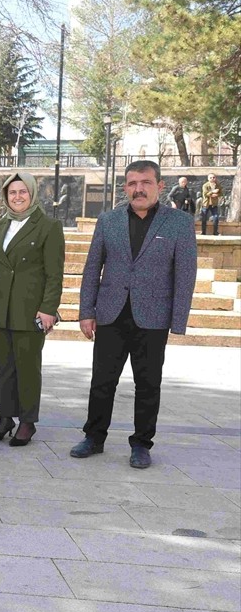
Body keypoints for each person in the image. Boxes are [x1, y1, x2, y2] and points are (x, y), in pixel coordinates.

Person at [73, 160, 197, 469]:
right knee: (102, 380)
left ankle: (142, 443)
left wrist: (178, 320)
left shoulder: (179, 223)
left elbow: (185, 273)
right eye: (131, 183)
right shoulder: (108, 220)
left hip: (153, 317)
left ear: (159, 186)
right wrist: (86, 311)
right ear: (125, 186)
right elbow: (92, 269)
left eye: (145, 182)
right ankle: (94, 437)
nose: (138, 189)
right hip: (111, 314)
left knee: (148, 383)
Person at [0, 172, 64, 446]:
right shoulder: (0, 225)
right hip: (0, 306)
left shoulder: (48, 226)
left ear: (33, 193)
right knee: (4, 366)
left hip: (30, 308)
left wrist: (48, 308)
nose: (17, 197)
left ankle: (27, 421)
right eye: (12, 193)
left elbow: (54, 273)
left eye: (22, 192)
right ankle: (6, 417)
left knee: (27, 366)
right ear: (5, 196)